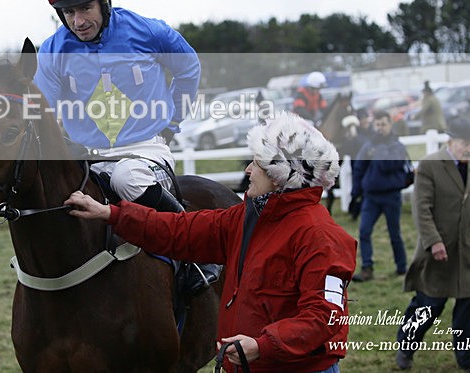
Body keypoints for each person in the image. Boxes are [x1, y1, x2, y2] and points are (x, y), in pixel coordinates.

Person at [65, 111, 356, 372]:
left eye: (256, 164)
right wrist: (111, 213)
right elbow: (179, 230)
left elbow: (326, 317)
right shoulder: (247, 218)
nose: (247, 171)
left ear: (280, 176)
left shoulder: (322, 238)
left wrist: (262, 345)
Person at [33, 0, 218, 290]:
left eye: (85, 8)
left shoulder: (148, 31)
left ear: (105, 1)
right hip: (88, 155)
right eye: (68, 13)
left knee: (127, 176)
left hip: (144, 150)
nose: (78, 20)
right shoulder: (51, 51)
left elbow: (188, 67)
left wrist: (173, 121)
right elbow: (44, 107)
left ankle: (196, 254)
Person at [395, 118, 470, 371]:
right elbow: (421, 209)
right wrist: (433, 242)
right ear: (450, 141)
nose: (469, 149)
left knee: (469, 304)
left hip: (469, 251)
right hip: (438, 252)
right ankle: (406, 344)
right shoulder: (430, 166)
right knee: (429, 306)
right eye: (465, 143)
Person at [351, 110, 410, 282]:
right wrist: (355, 193)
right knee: (364, 231)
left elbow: (387, 165)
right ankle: (367, 268)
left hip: (391, 196)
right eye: (377, 124)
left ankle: (402, 267)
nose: (380, 128)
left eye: (383, 124)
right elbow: (359, 168)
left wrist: (378, 148)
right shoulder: (369, 145)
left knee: (394, 233)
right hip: (371, 196)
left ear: (390, 125)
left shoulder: (397, 146)